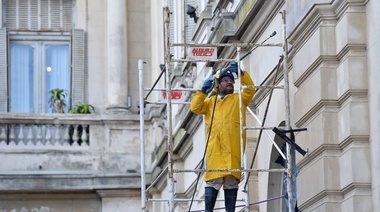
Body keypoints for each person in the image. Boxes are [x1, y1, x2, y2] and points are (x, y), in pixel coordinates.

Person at [190, 62, 256, 212]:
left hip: (233, 149)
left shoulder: (238, 100)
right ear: (218, 85)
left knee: (231, 182)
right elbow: (194, 107)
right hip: (215, 150)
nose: (230, 83)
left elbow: (250, 90)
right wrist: (202, 91)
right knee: (213, 180)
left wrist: (242, 75)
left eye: (232, 81)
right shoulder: (209, 103)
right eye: (226, 81)